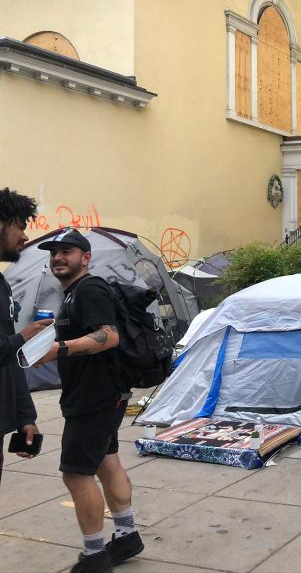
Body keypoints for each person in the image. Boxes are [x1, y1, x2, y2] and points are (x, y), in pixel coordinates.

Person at [35, 228, 142, 573]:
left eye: (67, 251)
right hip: (99, 393)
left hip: (95, 396)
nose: (58, 257)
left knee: (75, 474)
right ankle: (126, 536)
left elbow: (109, 336)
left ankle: (94, 556)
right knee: (106, 461)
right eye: (54, 253)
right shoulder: (73, 294)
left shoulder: (90, 289)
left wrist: (60, 348)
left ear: (86, 258)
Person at [0, 188, 54, 484]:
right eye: (20, 226)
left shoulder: (2, 283)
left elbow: (10, 359)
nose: (24, 237)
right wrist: (24, 335)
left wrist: (25, 418)